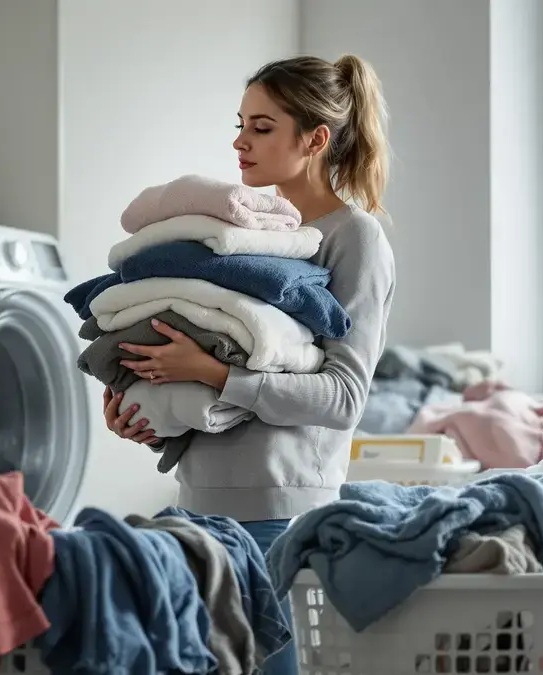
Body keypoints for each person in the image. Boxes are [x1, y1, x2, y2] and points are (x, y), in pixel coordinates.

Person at [103, 54, 396, 675]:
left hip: (279, 518)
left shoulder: (354, 237)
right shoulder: (242, 235)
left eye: (262, 127)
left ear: (315, 139)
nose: (240, 141)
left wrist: (213, 374)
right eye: (240, 123)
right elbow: (211, 367)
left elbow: (344, 397)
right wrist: (145, 408)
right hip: (195, 504)